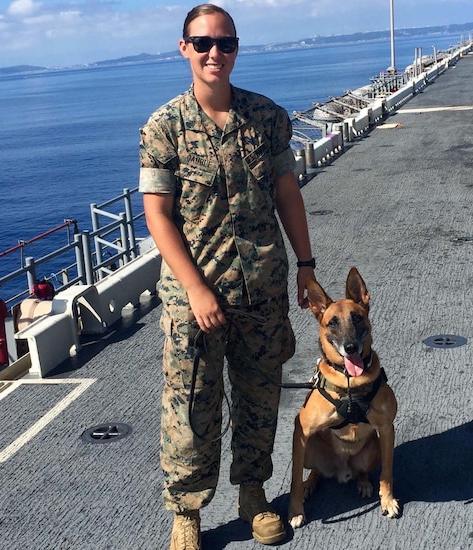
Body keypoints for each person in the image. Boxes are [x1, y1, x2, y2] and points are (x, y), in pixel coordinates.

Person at [139, 4, 315, 549]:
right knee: (191, 403)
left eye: (226, 43)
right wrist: (195, 289)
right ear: (184, 47)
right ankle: (187, 511)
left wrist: (307, 269)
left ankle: (254, 495)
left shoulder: (267, 118)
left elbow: (287, 194)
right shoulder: (163, 127)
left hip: (261, 289)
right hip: (195, 299)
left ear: (237, 48)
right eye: (203, 43)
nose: (215, 53)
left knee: (261, 396)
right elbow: (157, 216)